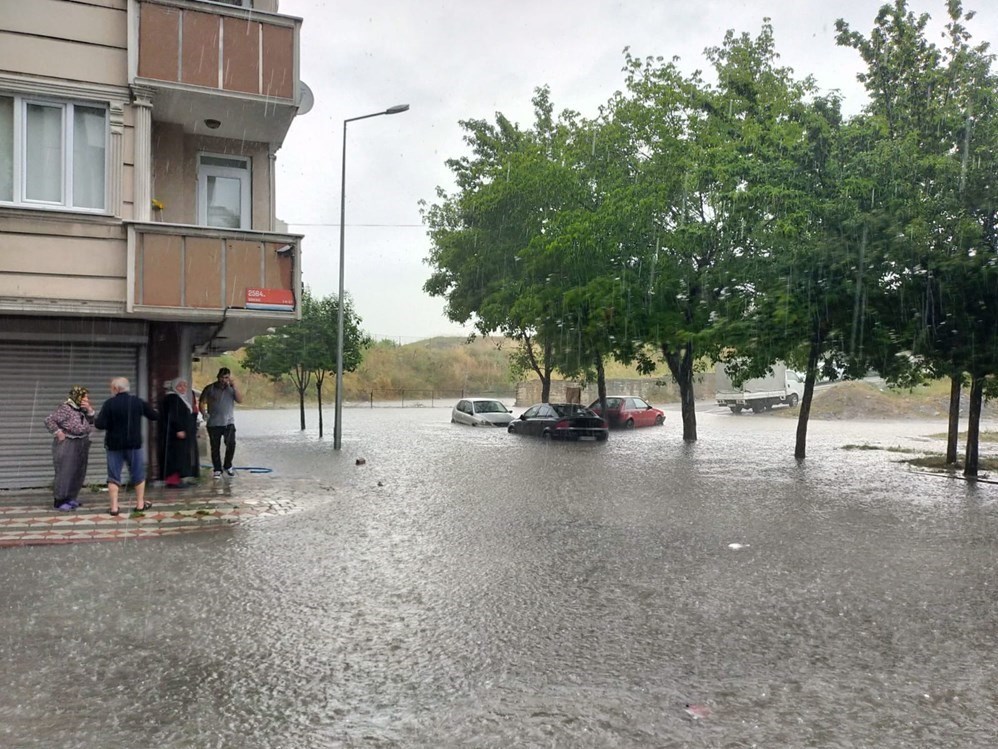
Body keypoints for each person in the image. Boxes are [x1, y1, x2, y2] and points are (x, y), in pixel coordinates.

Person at [94, 377, 158, 516]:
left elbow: (100, 424)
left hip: (114, 445)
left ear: (116, 389)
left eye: (111, 387)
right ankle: (140, 505)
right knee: (138, 474)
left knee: (113, 476)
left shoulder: (109, 404)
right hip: (134, 444)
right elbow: (154, 416)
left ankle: (114, 508)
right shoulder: (137, 402)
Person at [44, 385, 96, 511]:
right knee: (65, 471)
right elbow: (49, 420)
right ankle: (59, 500)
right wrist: (58, 432)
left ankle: (70, 497)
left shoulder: (81, 409)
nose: (86, 400)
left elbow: (91, 422)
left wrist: (89, 410)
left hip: (82, 442)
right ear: (77, 397)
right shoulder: (65, 408)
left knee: (78, 472)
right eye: (84, 398)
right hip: (68, 442)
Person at [200, 367, 243, 479]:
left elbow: (240, 400)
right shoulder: (210, 388)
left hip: (228, 423)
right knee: (215, 447)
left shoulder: (231, 389)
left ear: (229, 378)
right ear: (218, 377)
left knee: (231, 444)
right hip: (214, 423)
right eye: (222, 377)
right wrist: (204, 413)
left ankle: (228, 465)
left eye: (226, 378)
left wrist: (235, 387)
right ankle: (217, 469)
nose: (224, 380)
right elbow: (202, 402)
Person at [158, 378, 196, 488]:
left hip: (182, 434)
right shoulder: (172, 398)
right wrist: (178, 429)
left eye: (185, 385)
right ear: (174, 387)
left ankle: (180, 478)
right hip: (175, 436)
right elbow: (174, 416)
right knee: (175, 456)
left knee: (182, 456)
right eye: (180, 386)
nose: (183, 388)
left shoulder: (180, 398)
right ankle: (172, 480)